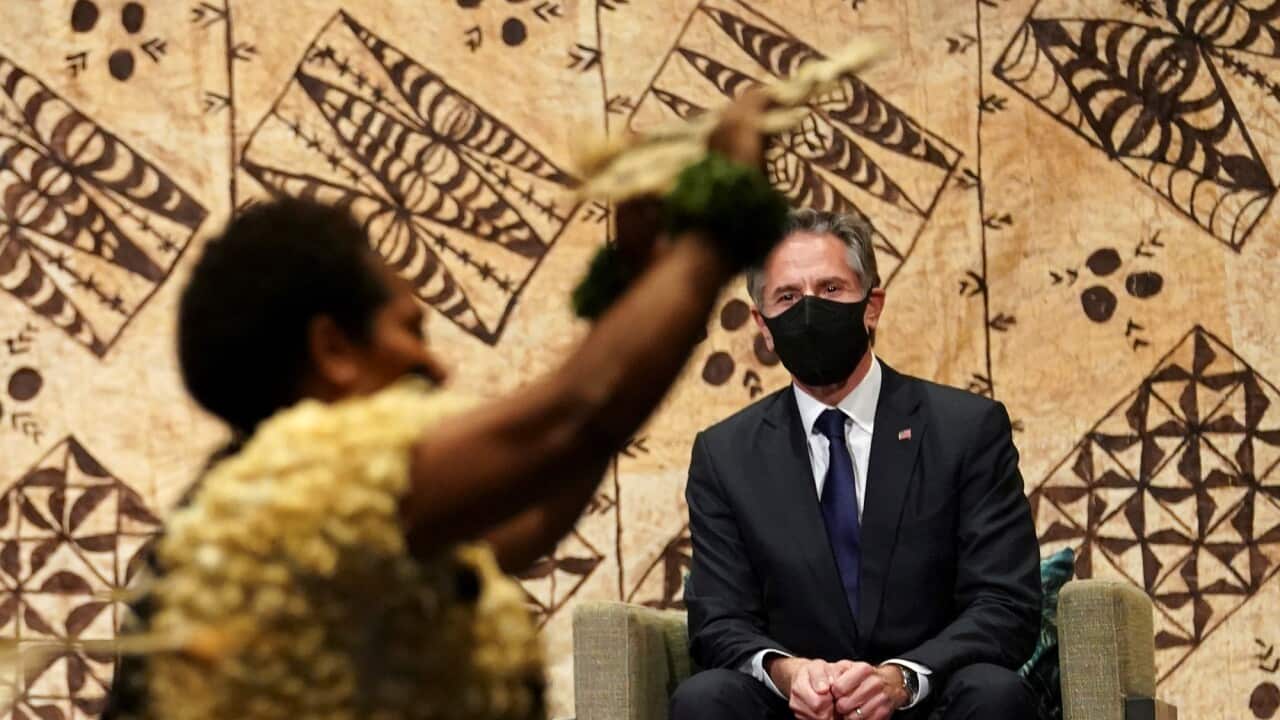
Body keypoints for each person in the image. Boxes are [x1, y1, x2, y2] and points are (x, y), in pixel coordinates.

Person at [98, 92, 782, 720]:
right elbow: (575, 415)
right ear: (334, 349)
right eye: (409, 330)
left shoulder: (349, 523)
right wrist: (718, 224)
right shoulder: (295, 499)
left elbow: (539, 506)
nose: (435, 364)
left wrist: (640, 286)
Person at [671, 209, 1042, 720]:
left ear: (872, 306)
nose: (809, 311)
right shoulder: (724, 455)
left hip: (928, 702)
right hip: (800, 709)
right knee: (704, 699)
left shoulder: (966, 429)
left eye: (830, 290)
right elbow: (718, 620)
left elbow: (1006, 604)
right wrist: (791, 674)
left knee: (996, 695)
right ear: (763, 325)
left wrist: (899, 679)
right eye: (787, 297)